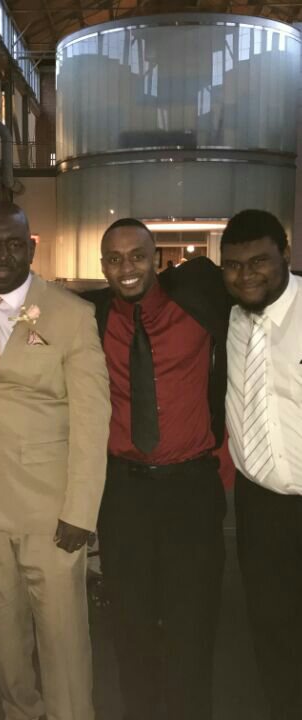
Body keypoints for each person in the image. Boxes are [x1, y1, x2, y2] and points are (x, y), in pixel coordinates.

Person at [0, 200, 111, 720]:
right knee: (4, 640)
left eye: (14, 244)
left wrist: (81, 511)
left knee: (63, 640)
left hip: (50, 512)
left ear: (30, 248)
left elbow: (92, 420)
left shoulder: (71, 314)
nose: (2, 255)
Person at [82, 218, 230, 720]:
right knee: (131, 624)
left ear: (156, 258)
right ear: (103, 267)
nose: (127, 268)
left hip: (192, 489)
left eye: (137, 256)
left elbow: (267, 282)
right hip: (125, 494)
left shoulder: (200, 300)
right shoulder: (94, 316)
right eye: (115, 259)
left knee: (194, 623)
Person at [221, 209, 302, 720]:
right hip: (259, 506)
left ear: (285, 254)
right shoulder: (227, 314)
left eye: (259, 262)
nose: (245, 275)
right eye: (233, 265)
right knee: (272, 628)